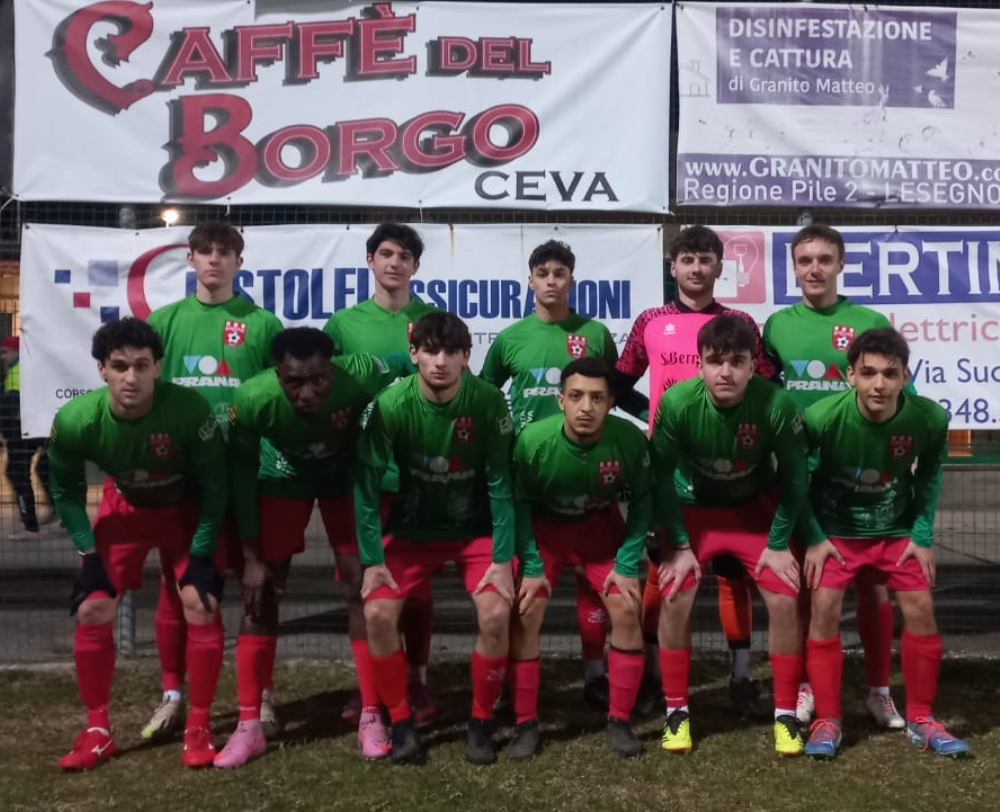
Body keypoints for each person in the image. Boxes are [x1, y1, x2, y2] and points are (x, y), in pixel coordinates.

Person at [214, 328, 411, 767]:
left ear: (332, 369)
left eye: (318, 380)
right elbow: (242, 477)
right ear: (276, 374)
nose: (307, 393)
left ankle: (371, 714)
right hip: (283, 477)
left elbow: (406, 363)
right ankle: (249, 724)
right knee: (261, 593)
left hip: (343, 478)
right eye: (294, 382)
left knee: (361, 587)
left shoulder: (360, 374)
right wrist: (251, 557)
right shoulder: (253, 398)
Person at [614, 225, 778, 719]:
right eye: (687, 259)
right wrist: (653, 416)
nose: (696, 268)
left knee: (732, 575)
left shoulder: (739, 322)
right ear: (673, 267)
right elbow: (618, 383)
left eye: (706, 259)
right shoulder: (651, 321)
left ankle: (741, 677)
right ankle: (653, 677)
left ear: (719, 267)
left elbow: (769, 382)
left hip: (730, 470)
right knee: (660, 572)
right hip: (669, 470)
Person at [48, 318, 228, 770]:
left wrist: (202, 550)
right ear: (102, 370)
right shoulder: (76, 419)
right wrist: (88, 552)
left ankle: (199, 725)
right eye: (120, 366)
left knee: (201, 604)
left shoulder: (188, 409)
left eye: (142, 366)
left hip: (185, 509)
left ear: (158, 369)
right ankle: (97, 731)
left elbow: (217, 484)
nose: (131, 377)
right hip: (124, 509)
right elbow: (65, 490)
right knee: (93, 608)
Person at [481, 239, 641, 708]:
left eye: (560, 273)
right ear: (530, 280)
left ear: (572, 279)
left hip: (588, 472)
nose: (551, 280)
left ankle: (595, 674)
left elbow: (615, 390)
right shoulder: (511, 338)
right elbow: (487, 395)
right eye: (543, 273)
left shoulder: (594, 333)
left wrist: (656, 413)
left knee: (596, 586)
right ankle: (513, 685)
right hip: (533, 477)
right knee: (523, 593)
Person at [354, 311, 515, 765]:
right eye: (430, 351)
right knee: (378, 614)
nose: (440, 361)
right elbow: (365, 487)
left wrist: (502, 560)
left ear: (467, 356)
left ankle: (480, 723)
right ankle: (402, 724)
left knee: (496, 614)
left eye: (450, 352)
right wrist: (372, 559)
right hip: (412, 529)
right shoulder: (390, 404)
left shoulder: (488, 401)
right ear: (414, 354)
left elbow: (502, 483)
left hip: (474, 531)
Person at [801, 327, 969, 759]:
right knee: (824, 609)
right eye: (869, 373)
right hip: (836, 532)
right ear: (851, 376)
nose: (879, 384)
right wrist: (815, 538)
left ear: (905, 376)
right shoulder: (821, 418)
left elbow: (929, 475)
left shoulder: (929, 418)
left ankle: (922, 719)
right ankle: (828, 720)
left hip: (896, 531)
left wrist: (922, 535)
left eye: (890, 374)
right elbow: (796, 480)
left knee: (921, 610)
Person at [144, 222, 283, 742]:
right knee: (176, 587)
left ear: (238, 263)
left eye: (224, 252)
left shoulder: (263, 324)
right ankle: (172, 696)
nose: (214, 260)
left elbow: (279, 398)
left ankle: (262, 696)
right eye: (204, 251)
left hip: (250, 476)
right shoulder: (163, 322)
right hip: (185, 480)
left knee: (259, 588)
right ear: (190, 259)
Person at [763, 223, 902, 729]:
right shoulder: (776, 325)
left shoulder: (868, 321)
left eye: (825, 259)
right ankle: (805, 685)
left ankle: (879, 691)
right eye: (805, 260)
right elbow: (766, 393)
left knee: (873, 587)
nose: (815, 268)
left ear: (841, 264)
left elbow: (896, 393)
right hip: (800, 476)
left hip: (858, 476)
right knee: (805, 584)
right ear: (794, 268)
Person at [650, 315, 808, 757]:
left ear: (752, 366)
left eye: (737, 362)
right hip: (693, 511)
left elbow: (796, 478)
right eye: (715, 361)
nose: (726, 372)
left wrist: (778, 543)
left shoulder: (777, 404)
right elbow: (659, 477)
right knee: (675, 592)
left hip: (751, 511)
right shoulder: (677, 402)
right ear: (699, 364)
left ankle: (785, 714)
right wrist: (680, 544)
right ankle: (676, 711)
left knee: (785, 595)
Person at [507, 357, 652, 759]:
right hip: (545, 532)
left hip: (598, 528)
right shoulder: (532, 442)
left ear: (611, 403)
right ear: (560, 401)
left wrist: (627, 563)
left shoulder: (629, 440)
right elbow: (518, 505)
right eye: (576, 396)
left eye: (597, 398)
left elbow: (644, 501)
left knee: (627, 607)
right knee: (526, 610)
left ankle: (620, 719)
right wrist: (531, 564)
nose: (586, 407)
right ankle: (525, 722)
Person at [323, 223, 440, 723]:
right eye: (386, 253)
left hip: (418, 472)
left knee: (418, 587)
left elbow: (449, 383)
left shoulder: (432, 321)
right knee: (362, 585)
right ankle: (368, 687)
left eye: (404, 255)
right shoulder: (342, 324)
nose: (395, 262)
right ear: (370, 261)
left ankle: (417, 680)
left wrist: (379, 365)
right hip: (362, 473)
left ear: (416, 266)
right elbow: (326, 388)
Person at [1, 335, 52, 540]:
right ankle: (55, 511)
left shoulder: (17, 371)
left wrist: (7, 431)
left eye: (5, 352)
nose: (3, 356)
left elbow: (11, 405)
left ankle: (30, 526)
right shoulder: (27, 368)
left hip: (23, 433)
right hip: (38, 430)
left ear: (17, 351)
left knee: (17, 473)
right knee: (42, 468)